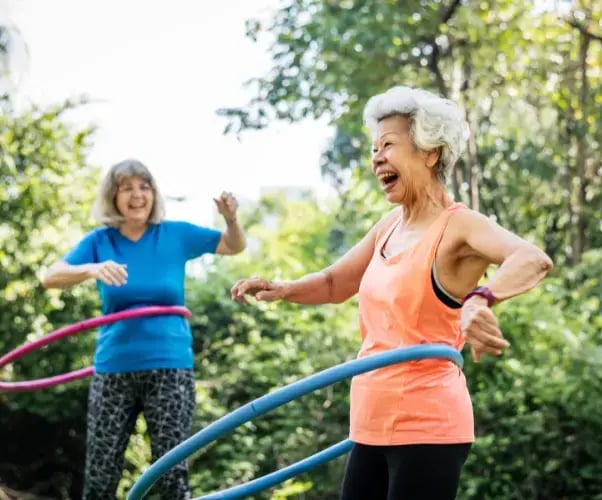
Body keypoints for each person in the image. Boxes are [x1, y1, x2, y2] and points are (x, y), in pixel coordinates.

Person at [230, 85, 554, 500]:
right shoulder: (389, 226)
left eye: (388, 145)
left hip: (428, 425)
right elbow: (334, 283)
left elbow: (532, 258)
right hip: (368, 423)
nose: (376, 157)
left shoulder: (459, 226)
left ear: (429, 152)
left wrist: (481, 299)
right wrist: (283, 288)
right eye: (373, 148)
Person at [41, 159, 246, 500]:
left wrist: (231, 218)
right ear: (113, 197)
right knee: (100, 474)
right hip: (113, 370)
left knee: (170, 474)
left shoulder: (175, 234)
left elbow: (233, 245)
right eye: (127, 188)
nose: (137, 195)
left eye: (144, 186)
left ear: (153, 193)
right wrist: (91, 269)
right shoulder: (100, 242)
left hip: (170, 369)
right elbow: (50, 277)